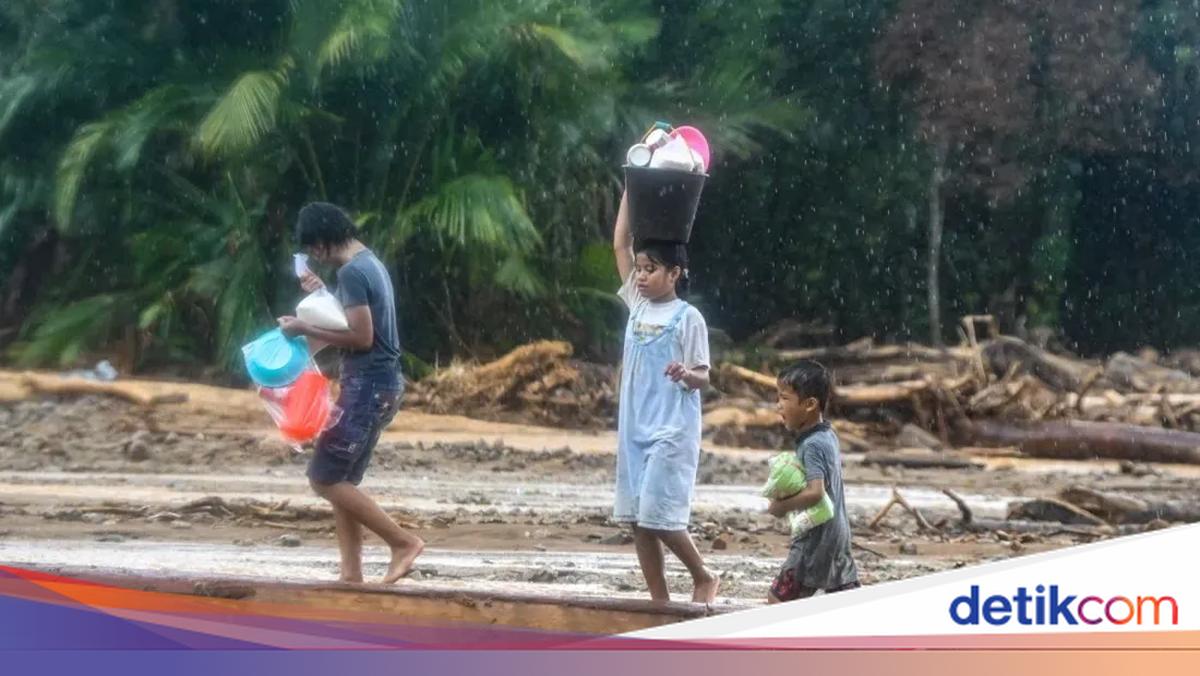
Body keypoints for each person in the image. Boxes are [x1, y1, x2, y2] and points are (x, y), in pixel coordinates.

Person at [277, 201, 423, 584]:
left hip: (368, 386)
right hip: (380, 384)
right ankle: (351, 573)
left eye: (312, 247)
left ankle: (402, 543)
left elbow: (361, 337)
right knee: (341, 478)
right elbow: (356, 321)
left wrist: (303, 330)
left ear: (324, 241)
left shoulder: (353, 273)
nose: (312, 255)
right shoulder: (367, 264)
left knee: (323, 478)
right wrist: (323, 295)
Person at [611, 191, 719, 604]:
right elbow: (620, 242)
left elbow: (703, 378)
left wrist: (684, 373)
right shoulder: (637, 306)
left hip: (671, 428)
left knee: (657, 515)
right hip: (634, 427)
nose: (640, 275)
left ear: (675, 273)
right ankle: (659, 602)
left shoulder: (688, 318)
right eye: (639, 269)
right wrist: (630, 186)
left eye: (650, 269)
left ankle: (702, 575)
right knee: (638, 521)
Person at [767, 359, 860, 602]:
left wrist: (781, 506)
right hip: (838, 535)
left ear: (809, 405)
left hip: (815, 540)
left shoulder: (812, 444)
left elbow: (815, 492)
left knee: (777, 603)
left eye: (784, 399)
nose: (779, 406)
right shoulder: (827, 434)